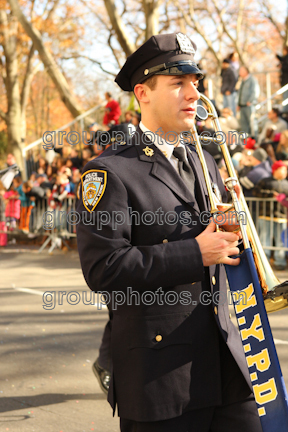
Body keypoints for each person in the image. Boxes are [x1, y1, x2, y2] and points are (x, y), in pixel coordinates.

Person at [76, 33, 262, 432]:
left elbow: (216, 247)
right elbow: (103, 268)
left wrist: (234, 235)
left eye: (195, 82)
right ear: (142, 93)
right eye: (178, 83)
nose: (193, 92)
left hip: (228, 363)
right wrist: (196, 252)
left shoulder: (203, 160)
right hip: (161, 379)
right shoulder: (109, 171)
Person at [252, 160, 288, 270]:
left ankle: (280, 261)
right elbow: (256, 192)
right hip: (266, 215)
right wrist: (271, 195)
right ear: (275, 170)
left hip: (281, 217)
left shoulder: (286, 183)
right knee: (264, 239)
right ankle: (264, 261)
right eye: (283, 169)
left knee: (280, 240)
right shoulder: (265, 181)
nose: (285, 172)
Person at [238, 66, 259, 136]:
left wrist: (250, 101)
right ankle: (246, 141)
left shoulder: (252, 80)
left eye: (241, 70)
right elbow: (240, 93)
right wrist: (238, 103)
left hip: (249, 105)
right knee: (243, 124)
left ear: (246, 71)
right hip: (242, 105)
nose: (239, 72)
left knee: (252, 123)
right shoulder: (242, 81)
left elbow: (255, 91)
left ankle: (254, 139)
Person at [276, 47, 288, 114]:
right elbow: (282, 60)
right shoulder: (285, 58)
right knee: (285, 96)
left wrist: (282, 66)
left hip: (286, 81)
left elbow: (285, 65)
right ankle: (285, 109)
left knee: (286, 96)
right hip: (284, 81)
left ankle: (285, 110)